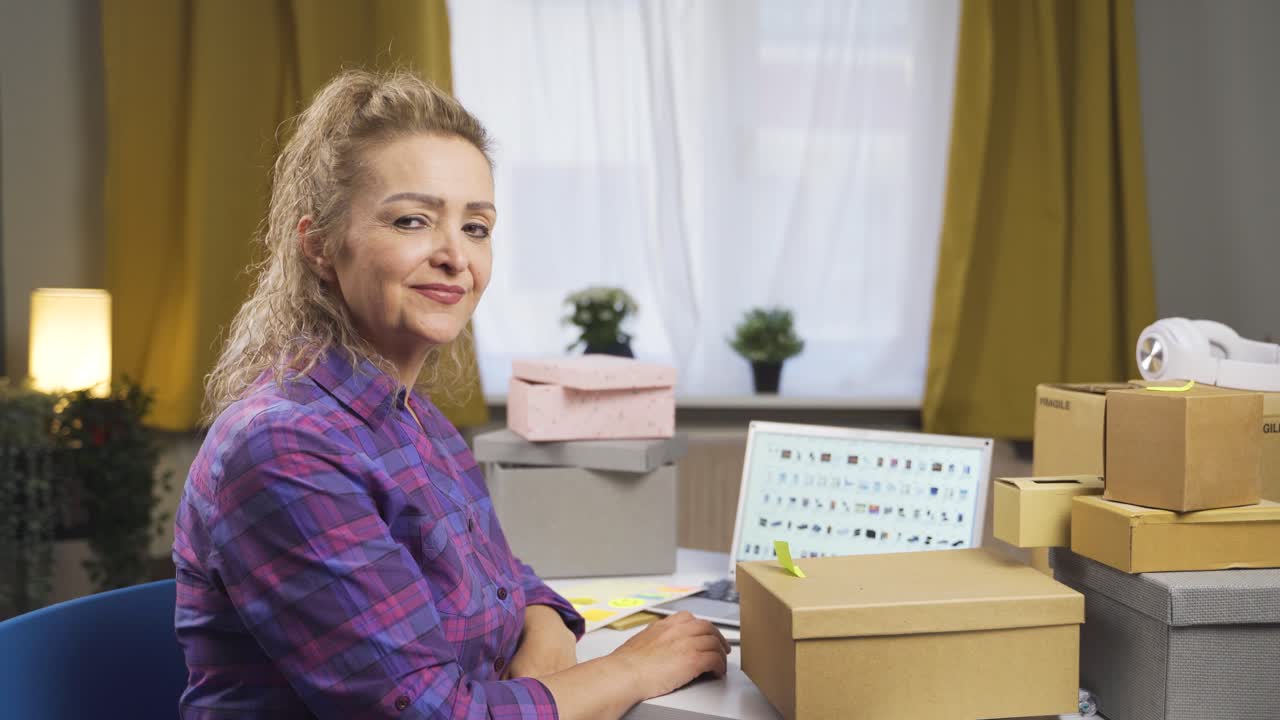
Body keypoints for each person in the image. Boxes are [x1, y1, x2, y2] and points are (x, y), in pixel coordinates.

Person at [173, 69, 729, 720]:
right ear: (320, 246)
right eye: (413, 220)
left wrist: (545, 624)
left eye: (476, 227)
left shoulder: (415, 418)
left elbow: (505, 581)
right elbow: (433, 714)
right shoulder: (282, 446)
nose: (455, 257)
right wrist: (631, 669)